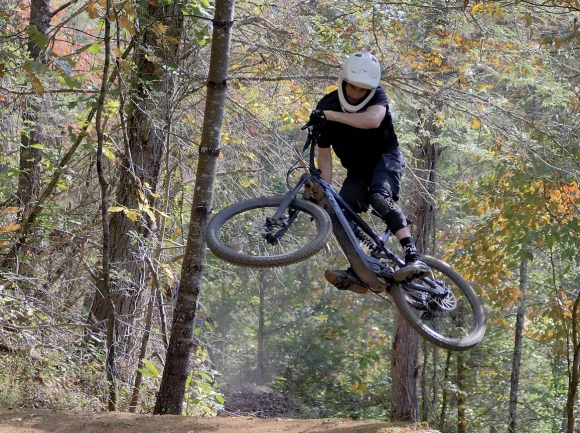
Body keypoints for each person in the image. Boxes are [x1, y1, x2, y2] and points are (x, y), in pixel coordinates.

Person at [308, 51, 428, 294]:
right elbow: (324, 155)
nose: (355, 94)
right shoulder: (327, 104)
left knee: (379, 197)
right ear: (344, 81)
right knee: (338, 213)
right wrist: (325, 193)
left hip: (386, 159)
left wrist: (330, 116)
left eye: (362, 90)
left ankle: (412, 255)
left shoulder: (378, 97)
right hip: (357, 171)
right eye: (352, 87)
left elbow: (372, 120)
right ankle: (362, 269)